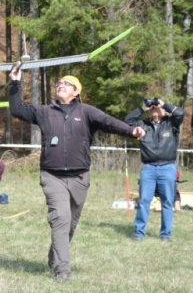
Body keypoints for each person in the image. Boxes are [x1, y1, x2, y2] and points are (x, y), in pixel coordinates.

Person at [8, 67, 145, 284]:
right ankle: (62, 270)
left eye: (67, 84)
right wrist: (15, 82)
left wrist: (131, 131)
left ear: (76, 92)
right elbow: (17, 109)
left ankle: (54, 258)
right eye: (58, 83)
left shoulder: (86, 111)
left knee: (70, 225)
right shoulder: (44, 112)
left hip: (80, 178)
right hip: (52, 176)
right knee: (60, 219)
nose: (60, 85)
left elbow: (109, 122)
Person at [125, 97, 184, 242]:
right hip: (148, 168)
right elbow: (127, 122)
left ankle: (165, 235)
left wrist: (164, 104)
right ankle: (139, 233)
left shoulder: (171, 123)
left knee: (167, 202)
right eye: (153, 108)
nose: (155, 110)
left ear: (164, 110)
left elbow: (180, 113)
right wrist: (142, 108)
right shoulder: (142, 124)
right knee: (144, 201)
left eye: (158, 108)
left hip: (167, 167)